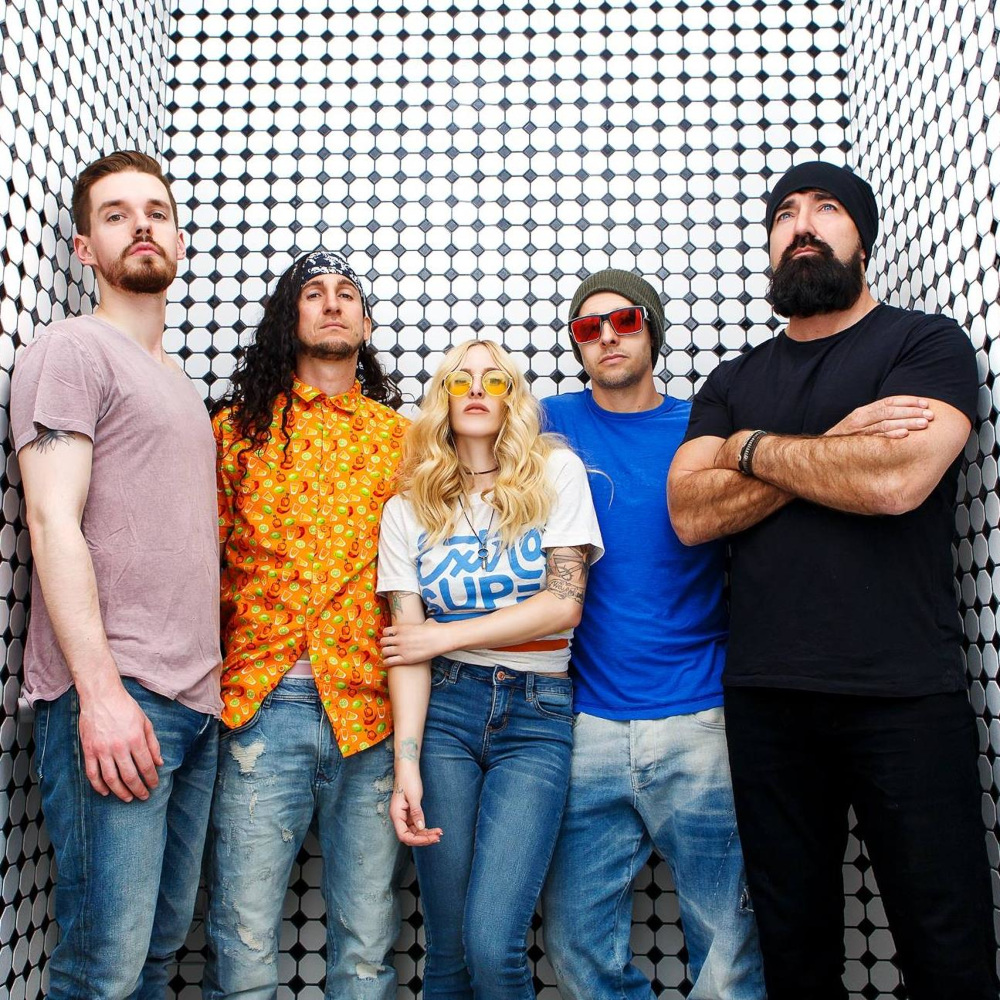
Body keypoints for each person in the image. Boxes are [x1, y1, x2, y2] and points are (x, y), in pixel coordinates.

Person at [667, 161, 997, 1000]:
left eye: (826, 209)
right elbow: (691, 513)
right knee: (795, 957)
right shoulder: (733, 381)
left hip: (904, 694)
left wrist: (748, 449)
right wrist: (837, 443)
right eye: (784, 213)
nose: (802, 225)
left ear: (863, 239)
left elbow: (895, 480)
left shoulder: (925, 344)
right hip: (767, 698)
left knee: (949, 953)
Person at [10, 150, 221, 999]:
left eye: (157, 212)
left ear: (178, 239)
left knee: (156, 959)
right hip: (118, 694)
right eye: (116, 214)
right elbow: (50, 519)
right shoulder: (71, 348)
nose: (142, 226)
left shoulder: (179, 384)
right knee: (104, 968)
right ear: (83, 248)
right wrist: (99, 695)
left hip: (195, 705)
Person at [538, 269, 765, 1000]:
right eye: (588, 327)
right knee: (575, 947)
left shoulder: (702, 429)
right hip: (586, 724)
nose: (607, 336)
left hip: (699, 717)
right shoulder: (546, 425)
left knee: (729, 953)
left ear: (652, 329)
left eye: (625, 320)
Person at [203, 250, 409, 1000]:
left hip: (371, 710)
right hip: (262, 704)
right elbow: (201, 563)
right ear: (289, 318)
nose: (331, 303)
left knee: (367, 948)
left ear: (365, 324)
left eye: (347, 294)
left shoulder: (402, 439)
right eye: (313, 293)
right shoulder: (236, 431)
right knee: (244, 942)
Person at [375, 338, 604, 1000]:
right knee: (447, 952)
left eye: (494, 381)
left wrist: (441, 635)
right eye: (461, 380)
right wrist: (406, 765)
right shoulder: (407, 509)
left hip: (536, 713)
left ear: (513, 400)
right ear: (443, 399)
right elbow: (408, 652)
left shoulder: (556, 474)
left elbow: (563, 604)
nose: (477, 390)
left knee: (492, 944)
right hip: (444, 713)